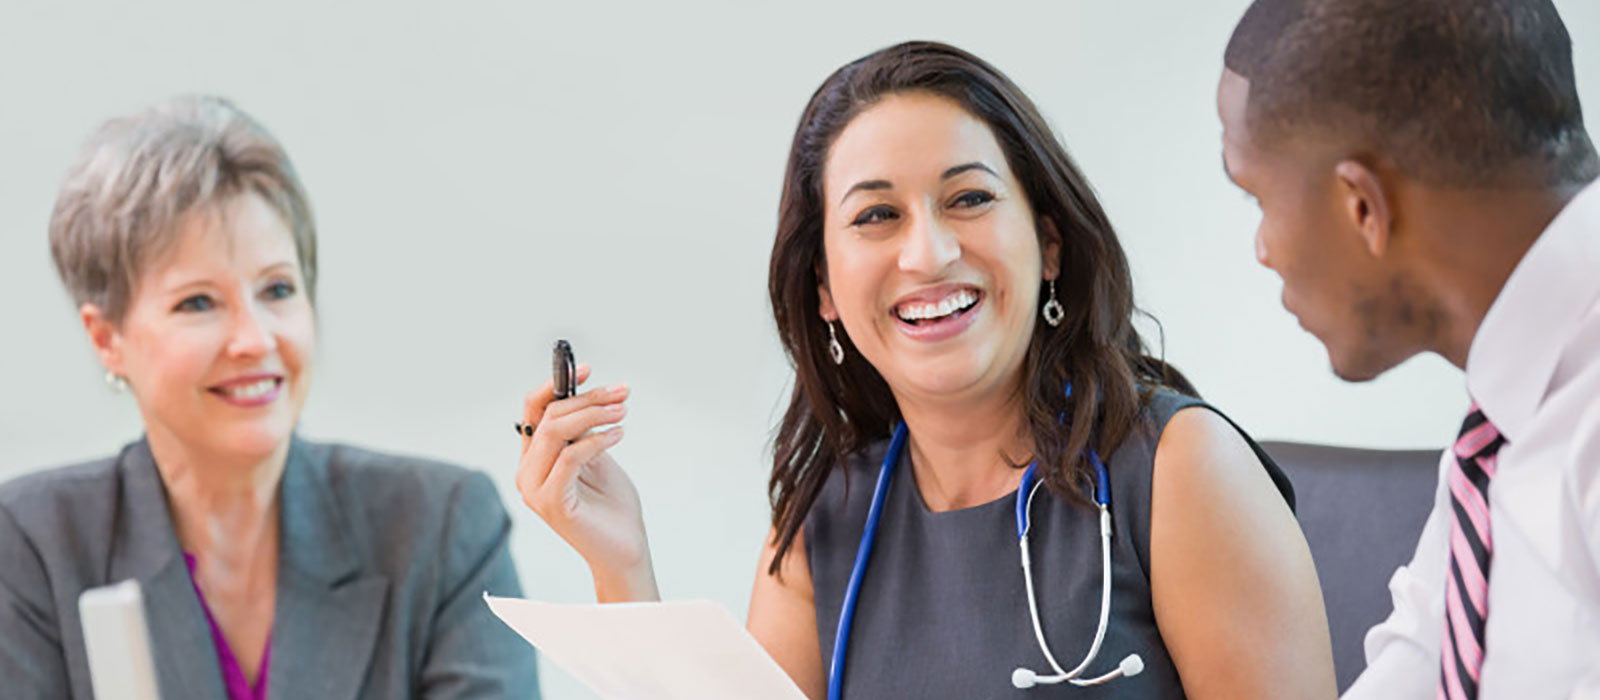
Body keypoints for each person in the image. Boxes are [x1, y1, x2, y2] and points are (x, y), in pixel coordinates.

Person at [517, 41, 1335, 699]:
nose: (929, 253)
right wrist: (620, 565)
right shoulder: (824, 519)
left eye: (969, 199)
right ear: (826, 290)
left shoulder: (1182, 469)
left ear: (1049, 244)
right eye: (877, 216)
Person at [0, 95, 538, 700]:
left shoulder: (441, 529)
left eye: (277, 289)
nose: (255, 340)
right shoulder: (32, 544)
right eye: (198, 302)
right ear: (107, 338)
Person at [1218, 1, 1600, 697]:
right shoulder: (1498, 440)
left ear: (1361, 205)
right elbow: (1421, 658)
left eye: (1256, 200)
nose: (1263, 251)